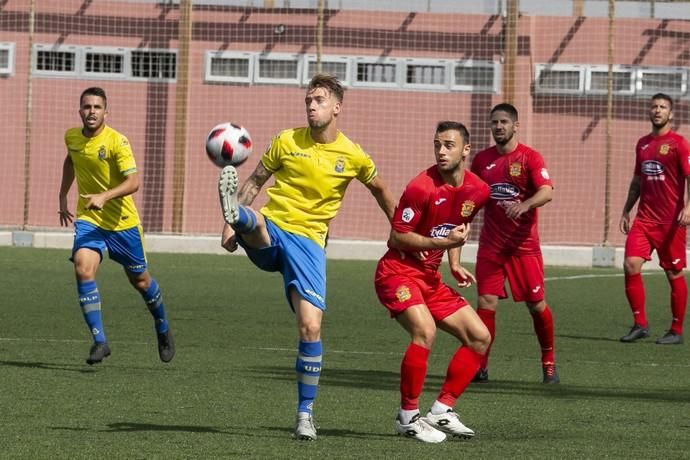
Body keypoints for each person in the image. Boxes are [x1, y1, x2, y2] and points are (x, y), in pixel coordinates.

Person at [218, 74, 396, 441]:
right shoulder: (286, 140)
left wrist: (400, 231)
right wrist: (229, 222)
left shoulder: (353, 155)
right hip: (273, 226)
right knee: (259, 225)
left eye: (318, 100)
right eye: (308, 101)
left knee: (311, 327)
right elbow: (254, 181)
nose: (311, 106)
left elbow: (380, 190)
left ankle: (304, 414)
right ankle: (238, 217)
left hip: (310, 244)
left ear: (336, 107)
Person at [374, 121, 491, 443]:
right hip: (396, 272)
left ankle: (441, 410)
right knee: (424, 331)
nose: (441, 151)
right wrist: (442, 246)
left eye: (449, 145)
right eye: (437, 144)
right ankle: (407, 417)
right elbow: (397, 237)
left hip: (429, 278)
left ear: (466, 150)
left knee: (480, 337)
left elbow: (459, 226)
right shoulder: (420, 188)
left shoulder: (479, 190)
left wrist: (454, 262)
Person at [58, 87, 175, 366]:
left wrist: (104, 196)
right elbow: (71, 160)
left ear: (105, 112)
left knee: (140, 281)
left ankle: (162, 325)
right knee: (82, 268)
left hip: (123, 224)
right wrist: (63, 195)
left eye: (97, 107)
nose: (91, 112)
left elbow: (134, 182)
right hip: (90, 220)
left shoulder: (117, 142)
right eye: (87, 107)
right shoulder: (72, 137)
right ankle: (100, 341)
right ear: (80, 111)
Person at [470, 103, 558, 384]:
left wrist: (525, 204)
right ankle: (480, 366)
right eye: (494, 122)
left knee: (536, 304)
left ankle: (548, 362)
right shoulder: (482, 160)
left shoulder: (530, 158)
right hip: (492, 245)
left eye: (504, 122)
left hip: (524, 247)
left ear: (515, 125)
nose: (498, 127)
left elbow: (547, 191)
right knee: (486, 302)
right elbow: (472, 195)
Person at [619, 93, 690, 345]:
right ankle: (640, 324)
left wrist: (689, 208)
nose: (657, 110)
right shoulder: (642, 144)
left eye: (663, 107)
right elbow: (638, 180)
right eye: (654, 106)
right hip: (644, 219)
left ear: (671, 114)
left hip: (671, 222)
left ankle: (676, 330)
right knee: (630, 264)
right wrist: (627, 209)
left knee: (673, 273)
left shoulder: (679, 143)